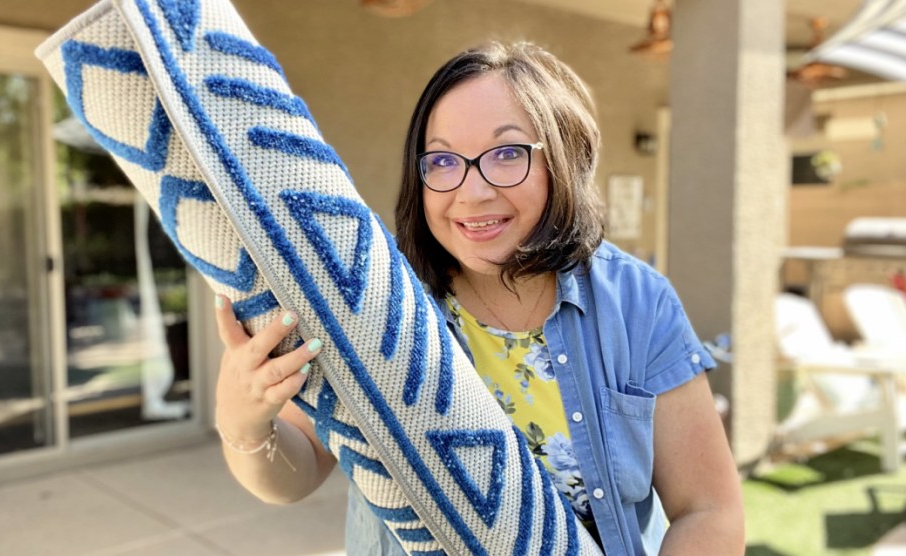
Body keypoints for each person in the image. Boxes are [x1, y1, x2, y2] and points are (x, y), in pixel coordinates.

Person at [213, 41, 744, 555]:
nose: (472, 193)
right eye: (442, 162)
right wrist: (243, 420)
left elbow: (708, 508)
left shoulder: (636, 302)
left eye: (507, 154)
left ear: (566, 159)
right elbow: (296, 472)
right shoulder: (375, 298)